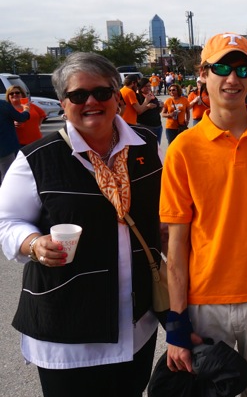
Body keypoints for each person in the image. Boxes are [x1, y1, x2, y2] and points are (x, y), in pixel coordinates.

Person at [0, 52, 162, 396]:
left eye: (102, 93)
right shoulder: (37, 158)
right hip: (66, 326)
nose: (91, 102)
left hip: (136, 323)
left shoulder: (146, 145)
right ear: (64, 102)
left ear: (116, 96)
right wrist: (33, 244)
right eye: (78, 95)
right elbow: (7, 222)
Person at [160, 32, 247, 397]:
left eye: (242, 69)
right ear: (203, 74)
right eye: (221, 67)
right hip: (205, 301)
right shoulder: (183, 149)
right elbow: (176, 245)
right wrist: (176, 323)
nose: (232, 79)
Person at [0, 90, 30, 183]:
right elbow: (21, 118)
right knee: (8, 176)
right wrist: (26, 110)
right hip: (5, 148)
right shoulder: (3, 105)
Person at [135, 77, 163, 143]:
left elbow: (158, 111)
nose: (148, 88)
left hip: (157, 125)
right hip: (145, 126)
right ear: (141, 87)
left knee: (157, 148)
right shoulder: (138, 96)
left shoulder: (151, 95)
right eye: (145, 86)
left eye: (149, 86)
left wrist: (161, 106)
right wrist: (147, 106)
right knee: (148, 149)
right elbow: (138, 112)